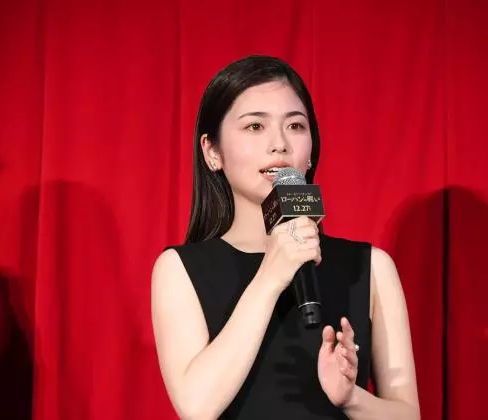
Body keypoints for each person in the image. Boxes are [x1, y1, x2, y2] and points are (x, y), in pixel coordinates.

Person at [151, 55, 420, 420]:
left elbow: (407, 413)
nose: (279, 144)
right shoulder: (179, 269)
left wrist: (351, 398)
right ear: (212, 152)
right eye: (255, 126)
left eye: (295, 126)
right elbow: (197, 407)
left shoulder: (371, 267)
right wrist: (270, 276)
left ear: (311, 150)